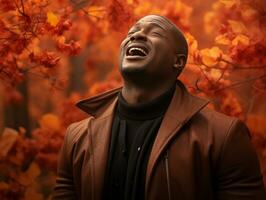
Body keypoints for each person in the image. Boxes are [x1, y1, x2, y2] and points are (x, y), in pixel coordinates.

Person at [52, 15, 265, 200]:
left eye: (155, 33)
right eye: (131, 32)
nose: (136, 36)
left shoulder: (223, 137)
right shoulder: (77, 137)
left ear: (178, 62)